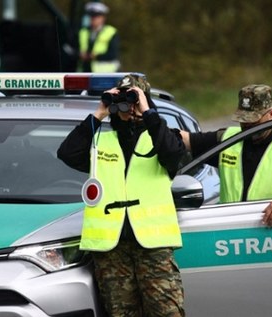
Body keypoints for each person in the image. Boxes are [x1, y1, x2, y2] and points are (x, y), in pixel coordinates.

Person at [57, 74, 186, 316]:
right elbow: (67, 153)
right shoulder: (101, 141)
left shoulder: (160, 138)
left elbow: (172, 154)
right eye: (124, 100)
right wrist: (99, 113)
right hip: (111, 249)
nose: (127, 107)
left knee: (167, 312)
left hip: (153, 246)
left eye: (132, 99)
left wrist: (147, 111)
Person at [180, 84, 272, 227]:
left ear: (271, 114)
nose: (247, 125)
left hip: (270, 232)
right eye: (243, 119)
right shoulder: (227, 138)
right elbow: (185, 140)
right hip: (229, 229)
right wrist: (151, 121)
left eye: (253, 120)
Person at [77, 2, 120, 72]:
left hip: (105, 73)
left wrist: (96, 56)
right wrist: (80, 55)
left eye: (96, 16)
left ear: (103, 18)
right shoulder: (83, 32)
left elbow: (113, 54)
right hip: (85, 71)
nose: (93, 19)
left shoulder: (111, 32)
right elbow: (74, 50)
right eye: (91, 16)